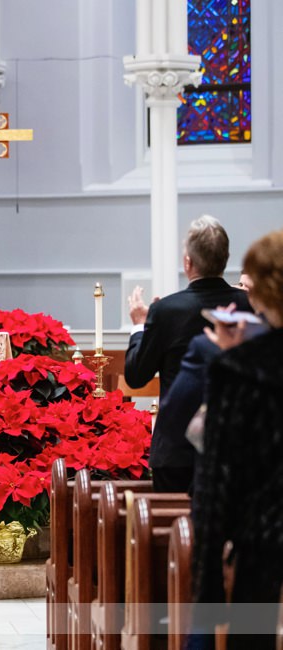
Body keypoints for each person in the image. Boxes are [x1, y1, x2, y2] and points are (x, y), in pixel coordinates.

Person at [191, 228, 283, 648]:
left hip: (263, 546)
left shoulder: (239, 369)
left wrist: (207, 582)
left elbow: (217, 477)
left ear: (259, 293)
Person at [124, 215, 251, 492]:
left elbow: (136, 376)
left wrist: (138, 326)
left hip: (176, 451)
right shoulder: (248, 307)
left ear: (188, 262)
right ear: (225, 258)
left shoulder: (167, 311)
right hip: (237, 448)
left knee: (173, 533)